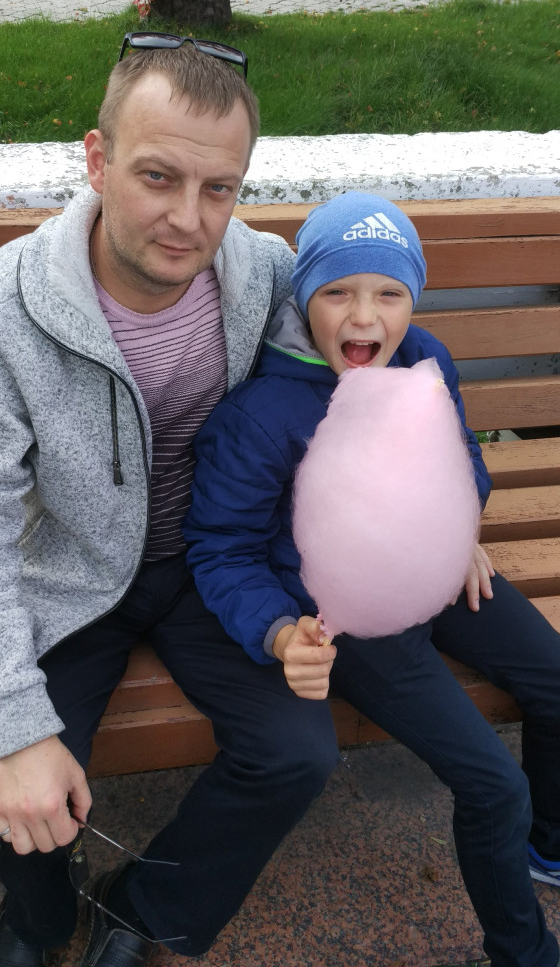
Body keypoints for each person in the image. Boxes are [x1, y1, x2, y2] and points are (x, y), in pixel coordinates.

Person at [0, 35, 341, 967]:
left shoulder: (264, 274)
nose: (189, 219)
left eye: (219, 187)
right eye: (158, 176)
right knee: (10, 788)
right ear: (97, 159)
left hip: (211, 562)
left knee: (297, 751)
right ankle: (41, 920)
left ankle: (143, 907)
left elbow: (376, 353)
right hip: (72, 571)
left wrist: (447, 502)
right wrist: (21, 727)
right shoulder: (6, 309)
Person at [184, 192, 560, 967]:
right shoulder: (263, 414)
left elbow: (462, 454)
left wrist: (462, 524)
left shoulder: (425, 359)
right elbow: (221, 548)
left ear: (413, 298)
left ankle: (546, 846)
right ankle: (524, 951)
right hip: (346, 616)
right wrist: (279, 629)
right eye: (337, 292)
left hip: (437, 568)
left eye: (389, 292)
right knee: (495, 786)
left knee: (555, 676)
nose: (365, 315)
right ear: (304, 299)